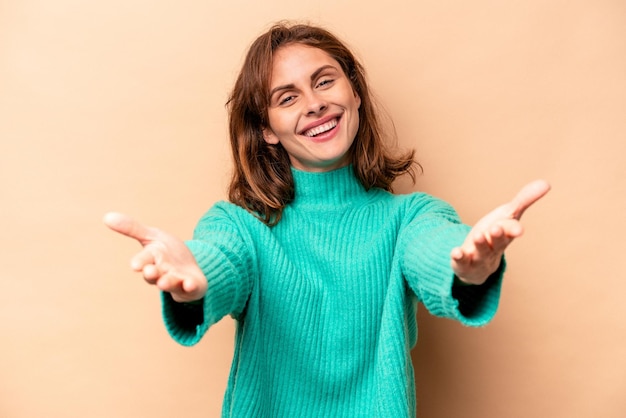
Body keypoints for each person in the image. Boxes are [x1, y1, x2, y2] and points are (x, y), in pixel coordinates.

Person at [104, 22, 550, 417]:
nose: (314, 104)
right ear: (266, 129)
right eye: (287, 97)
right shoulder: (241, 225)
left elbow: (435, 246)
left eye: (324, 81)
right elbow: (220, 257)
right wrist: (196, 276)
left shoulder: (410, 217)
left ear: (354, 91)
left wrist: (466, 268)